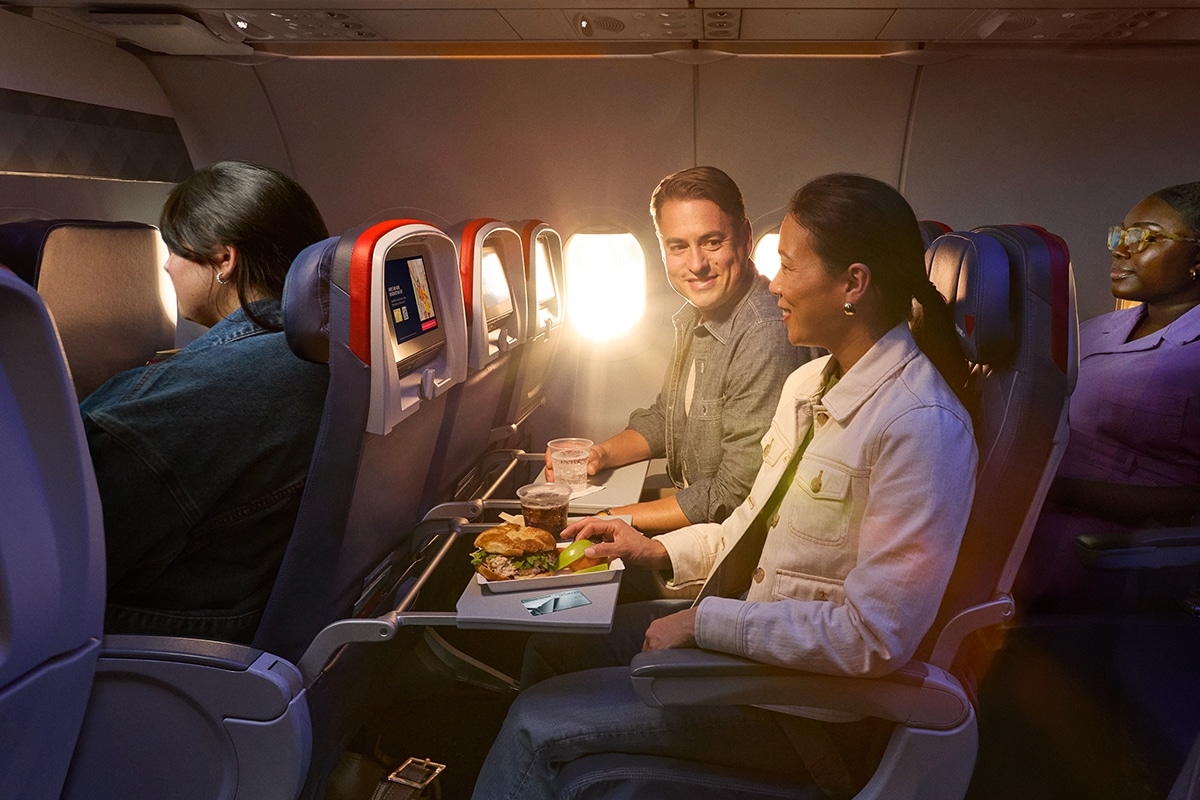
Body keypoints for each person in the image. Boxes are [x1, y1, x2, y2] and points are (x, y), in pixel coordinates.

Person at [474, 173, 978, 800]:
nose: (772, 285)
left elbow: (873, 637)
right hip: (754, 648)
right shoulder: (812, 385)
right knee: (557, 641)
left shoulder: (920, 427)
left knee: (535, 723)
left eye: (787, 267)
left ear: (853, 283)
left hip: (801, 708)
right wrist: (651, 548)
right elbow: (751, 534)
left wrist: (702, 624)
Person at [79, 160, 331, 644]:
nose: (168, 264)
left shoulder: (173, 404)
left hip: (181, 631)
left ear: (223, 260)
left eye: (173, 248)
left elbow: (65, 564)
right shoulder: (326, 352)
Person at [546, 166, 814, 533]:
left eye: (712, 242)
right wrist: (599, 454)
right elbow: (666, 417)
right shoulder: (696, 315)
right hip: (699, 521)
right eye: (678, 247)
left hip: (729, 547)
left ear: (746, 237)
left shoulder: (763, 334)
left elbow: (734, 495)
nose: (696, 264)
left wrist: (608, 519)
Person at [1018, 181, 1200, 611]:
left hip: (1116, 559)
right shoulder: (1098, 330)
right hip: (1031, 528)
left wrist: (1056, 488)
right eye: (1121, 235)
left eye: (1146, 238)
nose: (1120, 249)